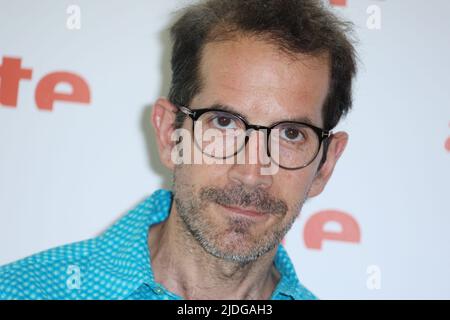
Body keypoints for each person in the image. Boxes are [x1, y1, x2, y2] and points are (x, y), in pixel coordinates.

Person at [0, 0, 357, 300]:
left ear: (325, 164)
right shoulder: (21, 291)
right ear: (171, 133)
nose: (252, 172)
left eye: (290, 134)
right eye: (223, 123)